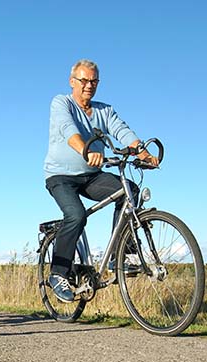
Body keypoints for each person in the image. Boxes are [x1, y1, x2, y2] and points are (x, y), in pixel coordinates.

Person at [43, 59, 159, 302]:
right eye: (84, 80)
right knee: (76, 215)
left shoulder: (104, 110)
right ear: (72, 81)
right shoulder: (61, 103)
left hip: (92, 176)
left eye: (94, 81)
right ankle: (57, 274)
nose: (89, 85)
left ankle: (120, 255)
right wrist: (85, 150)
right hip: (61, 176)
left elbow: (122, 131)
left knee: (129, 191)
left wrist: (143, 153)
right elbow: (68, 130)